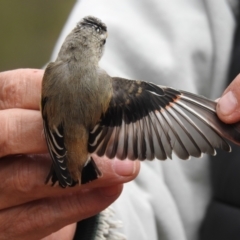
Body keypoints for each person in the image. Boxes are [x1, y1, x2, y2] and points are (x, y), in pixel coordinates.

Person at [0, 0, 239, 239]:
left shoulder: (51, 74)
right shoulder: (105, 85)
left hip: (59, 157)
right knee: (155, 97)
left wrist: (60, 160)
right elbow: (168, 109)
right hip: (84, 178)